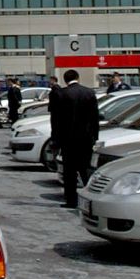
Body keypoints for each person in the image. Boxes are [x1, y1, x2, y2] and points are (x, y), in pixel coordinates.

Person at [47, 68, 99, 207]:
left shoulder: (62, 94)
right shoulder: (89, 93)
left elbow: (56, 120)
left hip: (68, 139)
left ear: (65, 80)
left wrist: (55, 139)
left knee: (69, 171)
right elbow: (95, 118)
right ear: (78, 77)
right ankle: (91, 200)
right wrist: (95, 136)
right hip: (86, 138)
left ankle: (71, 200)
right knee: (85, 169)